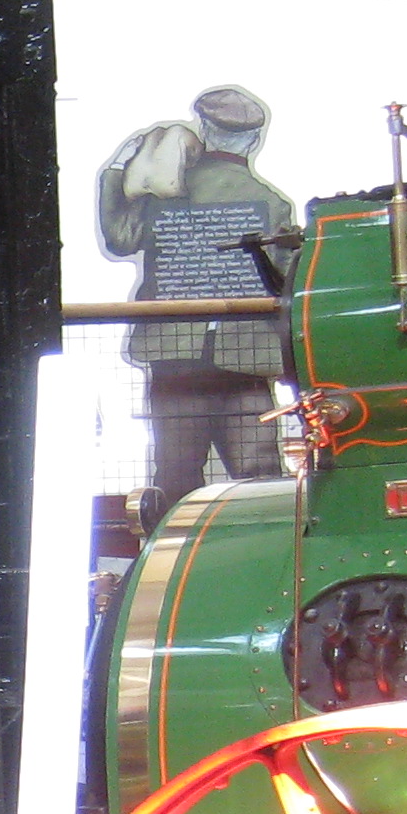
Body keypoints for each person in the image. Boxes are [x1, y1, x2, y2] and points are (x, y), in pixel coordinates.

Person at [96, 86, 295, 530]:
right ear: (255, 140)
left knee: (176, 477)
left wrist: (115, 173)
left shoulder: (165, 196)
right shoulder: (272, 201)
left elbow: (119, 239)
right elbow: (284, 281)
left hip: (176, 363)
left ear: (204, 130)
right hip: (243, 362)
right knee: (260, 477)